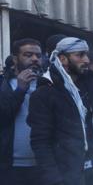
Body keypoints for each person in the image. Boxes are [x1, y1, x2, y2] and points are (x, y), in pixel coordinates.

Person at [28, 37, 93, 185]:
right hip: (68, 176)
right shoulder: (45, 93)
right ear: (63, 59)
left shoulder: (90, 87)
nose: (86, 60)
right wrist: (54, 179)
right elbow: (40, 142)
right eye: (79, 55)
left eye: (87, 55)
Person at [0, 39, 42, 185]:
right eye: (28, 55)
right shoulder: (3, 84)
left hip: (42, 165)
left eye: (38, 55)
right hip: (10, 166)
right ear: (14, 59)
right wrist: (20, 90)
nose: (35, 59)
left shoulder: (48, 84)